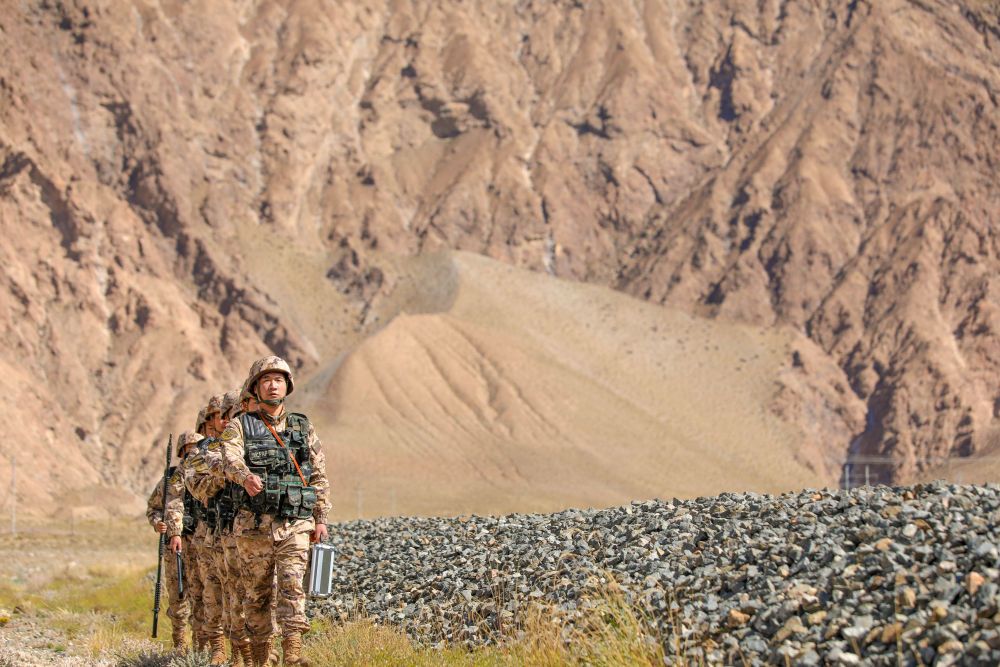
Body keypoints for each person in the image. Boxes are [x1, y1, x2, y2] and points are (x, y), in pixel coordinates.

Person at [220, 356, 330, 666]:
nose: (273, 385)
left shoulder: (302, 425)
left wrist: (320, 518)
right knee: (257, 597)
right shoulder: (239, 425)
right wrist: (244, 476)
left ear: (287, 385)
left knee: (293, 587)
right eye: (266, 380)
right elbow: (229, 458)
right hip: (253, 527)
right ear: (255, 387)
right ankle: (260, 660)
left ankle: (293, 657)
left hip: (295, 523)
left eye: (278, 379)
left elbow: (318, 474)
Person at [147, 430, 202, 653]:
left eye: (196, 450)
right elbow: (153, 508)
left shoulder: (206, 476)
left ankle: (201, 646)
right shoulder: (169, 479)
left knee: (202, 596)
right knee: (178, 597)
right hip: (175, 547)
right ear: (181, 453)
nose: (192, 455)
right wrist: (158, 523)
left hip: (201, 543)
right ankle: (180, 644)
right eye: (188, 451)